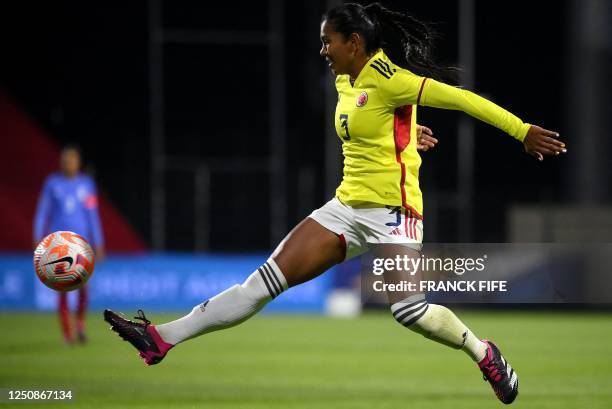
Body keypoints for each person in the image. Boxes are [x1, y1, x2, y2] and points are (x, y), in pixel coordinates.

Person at [104, 3, 565, 404]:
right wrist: (401, 139)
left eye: (329, 42)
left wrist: (521, 131)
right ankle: (160, 338)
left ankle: (484, 353)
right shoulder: (347, 81)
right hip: (346, 209)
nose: (323, 50)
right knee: (259, 285)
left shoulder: (393, 80)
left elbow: (462, 100)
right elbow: (374, 128)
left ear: (355, 41)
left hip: (396, 214)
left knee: (408, 311)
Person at [34, 145, 105, 344]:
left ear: (78, 162)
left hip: (81, 245)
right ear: (61, 162)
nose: (69, 163)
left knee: (83, 286)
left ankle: (80, 324)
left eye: (72, 160)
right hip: (58, 245)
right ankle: (67, 333)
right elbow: (43, 212)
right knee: (63, 287)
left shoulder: (86, 184)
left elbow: (93, 216)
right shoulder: (52, 183)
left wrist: (98, 242)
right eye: (65, 160)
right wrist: (38, 236)